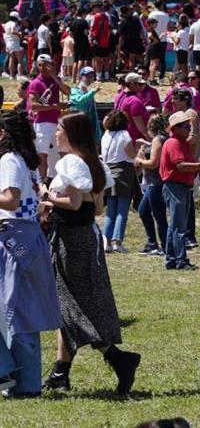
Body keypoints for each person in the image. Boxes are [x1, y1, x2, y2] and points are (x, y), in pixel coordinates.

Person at [42, 113, 142, 396]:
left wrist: (46, 197)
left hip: (71, 241)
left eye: (60, 129)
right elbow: (97, 210)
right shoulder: (94, 162)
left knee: (67, 305)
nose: (56, 133)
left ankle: (118, 358)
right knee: (71, 303)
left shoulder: (71, 162)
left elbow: (73, 204)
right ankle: (61, 372)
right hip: (88, 238)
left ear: (71, 132)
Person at [0, 111, 61, 398]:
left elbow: (10, 201)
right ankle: (26, 383)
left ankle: (11, 377)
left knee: (15, 313)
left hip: (14, 239)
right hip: (27, 237)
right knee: (23, 314)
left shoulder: (9, 161)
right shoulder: (26, 162)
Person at [159, 112, 200, 270]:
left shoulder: (182, 143)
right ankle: (181, 260)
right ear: (176, 128)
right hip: (175, 187)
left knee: (175, 226)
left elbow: (188, 163)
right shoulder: (173, 143)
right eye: (185, 126)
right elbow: (181, 166)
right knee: (179, 227)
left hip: (182, 186)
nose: (189, 128)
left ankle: (172, 259)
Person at [99, 110, 140, 254]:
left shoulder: (106, 135)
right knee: (122, 209)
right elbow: (130, 154)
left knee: (111, 210)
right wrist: (138, 150)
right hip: (123, 172)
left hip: (109, 172)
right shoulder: (124, 135)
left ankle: (106, 241)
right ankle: (117, 241)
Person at [27, 54, 71, 179]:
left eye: (45, 65)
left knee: (56, 153)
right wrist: (54, 107)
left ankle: (53, 179)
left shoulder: (55, 81)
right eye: (40, 65)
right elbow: (34, 106)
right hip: (42, 123)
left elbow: (68, 92)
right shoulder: (36, 83)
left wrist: (55, 78)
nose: (42, 68)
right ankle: (41, 181)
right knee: (42, 154)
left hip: (56, 122)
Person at [133, 112, 169, 256]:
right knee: (143, 210)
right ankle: (152, 243)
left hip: (156, 182)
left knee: (159, 216)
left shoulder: (157, 140)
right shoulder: (162, 139)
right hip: (153, 183)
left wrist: (140, 161)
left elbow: (154, 163)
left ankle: (165, 246)